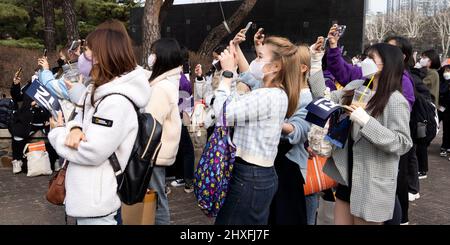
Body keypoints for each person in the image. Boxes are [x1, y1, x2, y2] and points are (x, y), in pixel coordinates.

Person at [47, 27, 151, 225]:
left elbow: (91, 152)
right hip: (88, 200)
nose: (82, 56)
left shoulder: (115, 101)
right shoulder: (99, 90)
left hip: (97, 205)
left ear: (101, 56)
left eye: (87, 50)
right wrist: (75, 129)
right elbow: (79, 117)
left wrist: (57, 133)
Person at [309, 41, 413, 224]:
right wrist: (316, 61)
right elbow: (323, 98)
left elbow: (402, 142)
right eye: (366, 57)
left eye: (372, 58)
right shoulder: (357, 86)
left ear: (387, 64)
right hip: (348, 178)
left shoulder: (395, 100)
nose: (365, 62)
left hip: (372, 183)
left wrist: (366, 121)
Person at [213, 35, 304, 225]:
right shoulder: (272, 93)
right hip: (255, 175)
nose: (255, 61)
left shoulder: (269, 95)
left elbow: (223, 114)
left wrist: (228, 73)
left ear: (275, 67)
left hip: (250, 176)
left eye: (260, 56)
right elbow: (236, 103)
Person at [231, 28, 314, 225]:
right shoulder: (271, 88)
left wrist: (275, 121)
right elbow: (249, 74)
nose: (259, 62)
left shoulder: (302, 96)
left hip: (288, 167)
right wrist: (237, 47)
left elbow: (301, 131)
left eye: (261, 58)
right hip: (268, 162)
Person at [325, 25, 415, 111]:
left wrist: (365, 119)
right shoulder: (361, 81)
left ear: (401, 57)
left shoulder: (402, 84)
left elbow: (398, 119)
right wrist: (333, 46)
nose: (366, 61)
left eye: (391, 49)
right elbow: (342, 72)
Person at [145, 38, 183, 225]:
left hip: (153, 152)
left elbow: (150, 123)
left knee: (157, 200)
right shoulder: (166, 81)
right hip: (159, 150)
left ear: (161, 57)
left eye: (153, 53)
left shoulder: (161, 88)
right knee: (157, 196)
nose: (150, 57)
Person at [9, 75, 58, 174]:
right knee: (18, 135)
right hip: (27, 121)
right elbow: (17, 96)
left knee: (55, 135)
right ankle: (17, 161)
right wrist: (16, 84)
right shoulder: (28, 86)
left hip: (45, 121)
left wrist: (45, 111)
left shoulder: (49, 86)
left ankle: (56, 161)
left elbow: (54, 103)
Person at [169, 46, 196, 194]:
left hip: (177, 116)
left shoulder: (178, 77)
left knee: (184, 148)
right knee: (186, 149)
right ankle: (186, 179)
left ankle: (186, 179)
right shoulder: (180, 77)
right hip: (178, 115)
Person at [415, 49, 441, 180]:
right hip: (424, 108)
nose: (422, 59)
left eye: (425, 58)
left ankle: (423, 169)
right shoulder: (428, 72)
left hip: (426, 110)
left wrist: (416, 72)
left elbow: (421, 84)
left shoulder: (432, 73)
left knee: (422, 141)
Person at [439, 65, 450, 158]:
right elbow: (440, 91)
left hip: (448, 109)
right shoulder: (441, 81)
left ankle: (445, 147)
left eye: (449, 71)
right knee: (435, 126)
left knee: (447, 129)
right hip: (441, 107)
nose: (447, 73)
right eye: (446, 70)